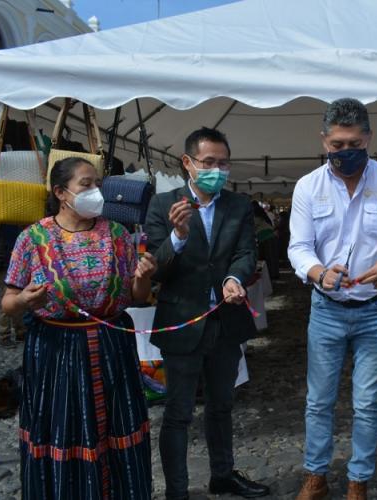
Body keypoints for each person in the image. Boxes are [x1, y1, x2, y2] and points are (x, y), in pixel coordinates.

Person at [288, 98, 377, 500]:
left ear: (368, 138)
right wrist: (319, 271)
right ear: (323, 141)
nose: (345, 151)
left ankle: (358, 481)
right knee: (319, 400)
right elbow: (298, 247)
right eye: (336, 144)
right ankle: (315, 476)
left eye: (353, 142)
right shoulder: (308, 186)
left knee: (368, 402)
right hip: (327, 308)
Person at [1, 157, 155, 499]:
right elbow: (8, 302)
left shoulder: (117, 234)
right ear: (61, 192)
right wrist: (25, 301)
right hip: (57, 353)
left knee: (118, 426)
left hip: (111, 348)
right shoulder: (33, 238)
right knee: (65, 429)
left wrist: (143, 279)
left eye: (96, 183)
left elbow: (137, 298)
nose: (95, 191)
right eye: (86, 184)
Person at [144, 127, 269, 499]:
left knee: (222, 406)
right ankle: (177, 491)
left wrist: (234, 278)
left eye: (223, 163)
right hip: (182, 323)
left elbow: (246, 253)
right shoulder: (162, 205)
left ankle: (223, 474)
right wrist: (178, 236)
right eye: (208, 162)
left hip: (226, 322)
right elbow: (157, 270)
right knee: (179, 412)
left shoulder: (238, 205)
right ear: (188, 163)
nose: (217, 169)